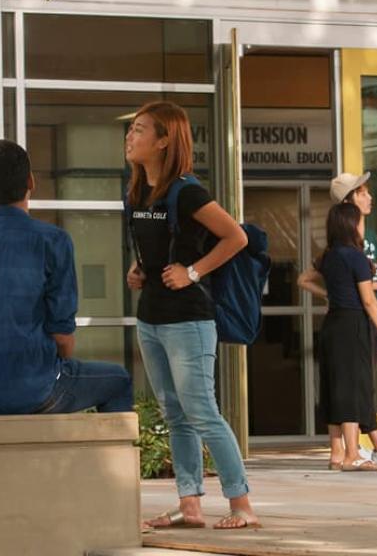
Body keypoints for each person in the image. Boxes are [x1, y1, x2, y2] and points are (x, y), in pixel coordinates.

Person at [125, 101, 261, 531]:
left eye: (140, 130)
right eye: (131, 129)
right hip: (151, 318)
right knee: (175, 415)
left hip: (189, 320)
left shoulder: (187, 191)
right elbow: (154, 245)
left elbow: (235, 236)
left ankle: (241, 505)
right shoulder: (137, 192)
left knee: (202, 411)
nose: (130, 136)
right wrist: (139, 269)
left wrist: (194, 271)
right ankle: (191, 505)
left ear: (164, 140)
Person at [0, 139, 132, 416]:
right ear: (31, 181)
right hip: (35, 389)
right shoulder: (52, 240)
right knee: (118, 380)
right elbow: (63, 334)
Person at [300, 172, 377, 468]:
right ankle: (352, 453)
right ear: (350, 218)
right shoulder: (357, 257)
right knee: (354, 385)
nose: (369, 198)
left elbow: (315, 280)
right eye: (362, 193)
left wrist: (331, 296)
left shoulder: (330, 255)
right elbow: (365, 298)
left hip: (333, 324)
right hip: (354, 325)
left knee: (335, 386)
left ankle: (337, 453)